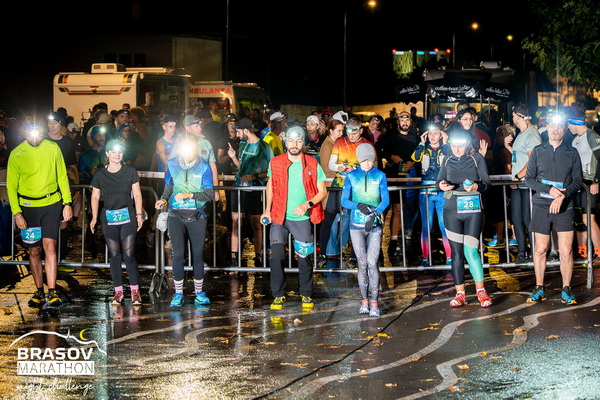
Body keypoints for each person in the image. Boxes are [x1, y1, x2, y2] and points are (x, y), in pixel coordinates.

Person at [260, 126, 327, 310]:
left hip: (301, 218)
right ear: (286, 142)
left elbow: (322, 191)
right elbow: (270, 185)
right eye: (291, 140)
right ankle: (278, 295)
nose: (294, 144)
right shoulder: (275, 162)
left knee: (304, 257)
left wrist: (307, 205)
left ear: (303, 142)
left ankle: (306, 294)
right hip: (279, 216)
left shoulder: (312, 163)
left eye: (298, 140)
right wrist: (267, 210)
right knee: (276, 257)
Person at [7, 124, 73, 308]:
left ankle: (52, 292)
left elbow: (62, 176)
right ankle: (39, 291)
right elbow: (11, 186)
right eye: (30, 133)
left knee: (50, 246)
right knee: (34, 250)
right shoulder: (17, 153)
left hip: (51, 203)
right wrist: (17, 213)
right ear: (24, 133)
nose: (35, 138)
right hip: (28, 207)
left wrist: (67, 203)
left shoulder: (53, 148)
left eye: (38, 133)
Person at [524, 114, 583, 305]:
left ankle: (566, 289)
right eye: (553, 126)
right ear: (547, 128)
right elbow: (528, 179)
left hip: (565, 205)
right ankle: (539, 287)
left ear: (564, 129)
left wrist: (563, 196)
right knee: (541, 249)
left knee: (566, 250)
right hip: (541, 205)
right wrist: (549, 189)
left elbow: (578, 181)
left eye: (559, 127)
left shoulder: (572, 152)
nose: (556, 130)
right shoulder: (538, 151)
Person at [155, 135, 214, 308]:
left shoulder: (204, 166)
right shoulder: (172, 164)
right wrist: (163, 200)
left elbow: (209, 193)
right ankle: (178, 293)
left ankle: (199, 293)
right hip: (176, 214)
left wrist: (190, 195)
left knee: (197, 254)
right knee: (178, 254)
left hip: (197, 215)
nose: (187, 154)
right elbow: (169, 187)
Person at [437, 128, 492, 308]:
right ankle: (460, 293)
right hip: (452, 209)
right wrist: (442, 185)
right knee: (457, 254)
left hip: (472, 209)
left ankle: (481, 291)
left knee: (471, 252)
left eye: (460, 146)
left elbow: (487, 183)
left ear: (467, 144)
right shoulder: (447, 159)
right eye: (453, 146)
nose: (457, 149)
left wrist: (476, 186)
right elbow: (439, 181)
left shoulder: (477, 158)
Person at [89, 139, 144, 306]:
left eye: (120, 151)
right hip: (109, 217)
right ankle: (118, 291)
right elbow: (95, 196)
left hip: (128, 216)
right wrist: (94, 217)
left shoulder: (130, 171)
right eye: (113, 151)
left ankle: (135, 291)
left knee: (129, 254)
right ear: (107, 153)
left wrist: (139, 214)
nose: (117, 155)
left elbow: (137, 194)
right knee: (114, 256)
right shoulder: (100, 174)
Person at [341, 143, 389, 316]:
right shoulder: (351, 176)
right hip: (356, 225)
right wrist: (358, 205)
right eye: (363, 161)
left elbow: (385, 199)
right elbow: (344, 201)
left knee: (372, 262)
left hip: (374, 225)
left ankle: (375, 301)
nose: (367, 163)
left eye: (369, 160)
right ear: (359, 160)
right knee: (362, 263)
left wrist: (376, 212)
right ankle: (364, 301)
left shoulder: (380, 175)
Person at [227, 117, 274, 267]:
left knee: (256, 224)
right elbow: (241, 168)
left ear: (246, 131)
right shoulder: (242, 145)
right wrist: (234, 158)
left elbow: (272, 171)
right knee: (236, 222)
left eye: (239, 132)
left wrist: (255, 176)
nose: (237, 135)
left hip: (255, 189)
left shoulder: (264, 147)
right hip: (239, 187)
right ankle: (234, 256)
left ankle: (258, 256)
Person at [327, 116, 372, 263]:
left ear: (361, 130)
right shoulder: (340, 142)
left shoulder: (367, 144)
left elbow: (373, 168)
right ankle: (331, 250)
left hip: (358, 188)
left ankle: (353, 251)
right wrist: (339, 167)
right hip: (339, 185)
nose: (351, 136)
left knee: (353, 219)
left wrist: (355, 169)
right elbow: (331, 164)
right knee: (333, 217)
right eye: (348, 132)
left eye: (354, 133)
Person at [375, 110, 419, 257]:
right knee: (383, 210)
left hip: (405, 178)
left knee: (398, 210)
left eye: (407, 120)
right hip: (389, 176)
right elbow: (378, 148)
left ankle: (393, 243)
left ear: (411, 122)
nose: (405, 123)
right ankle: (377, 242)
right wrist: (391, 156)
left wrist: (412, 163)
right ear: (398, 121)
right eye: (402, 120)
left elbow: (420, 154)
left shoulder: (415, 137)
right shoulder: (390, 135)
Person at [504, 104, 541, 262]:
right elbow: (519, 156)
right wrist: (508, 147)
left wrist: (518, 176)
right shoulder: (521, 133)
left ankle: (534, 252)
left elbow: (533, 160)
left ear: (519, 117)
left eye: (513, 116)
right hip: (518, 182)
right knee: (516, 218)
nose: (512, 119)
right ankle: (521, 252)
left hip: (526, 183)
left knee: (527, 218)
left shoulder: (532, 134)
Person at [411, 123, 452, 266]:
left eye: (436, 133)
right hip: (426, 191)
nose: (433, 136)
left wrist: (446, 143)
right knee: (426, 226)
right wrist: (421, 143)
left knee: (444, 225)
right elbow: (415, 158)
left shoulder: (446, 148)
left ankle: (449, 258)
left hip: (442, 191)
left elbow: (451, 159)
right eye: (430, 133)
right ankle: (425, 258)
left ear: (441, 135)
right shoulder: (423, 148)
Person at [567, 106, 600, 262]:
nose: (567, 127)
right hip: (578, 183)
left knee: (589, 219)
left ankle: (599, 253)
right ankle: (582, 252)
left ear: (575, 122)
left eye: (568, 123)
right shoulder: (575, 140)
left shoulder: (592, 136)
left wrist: (596, 181)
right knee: (580, 219)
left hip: (589, 183)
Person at [318, 119, 345, 263]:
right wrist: (341, 171)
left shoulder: (334, 144)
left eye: (342, 130)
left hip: (334, 185)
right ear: (331, 131)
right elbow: (325, 167)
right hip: (330, 186)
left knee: (333, 219)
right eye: (339, 131)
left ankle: (331, 250)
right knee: (330, 219)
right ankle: (328, 251)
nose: (341, 133)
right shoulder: (328, 145)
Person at [182, 114, 220, 202]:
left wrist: (216, 189)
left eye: (200, 126)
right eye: (196, 126)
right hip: (185, 189)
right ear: (187, 128)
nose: (200, 128)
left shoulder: (206, 143)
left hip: (204, 190)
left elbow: (213, 167)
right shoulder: (180, 143)